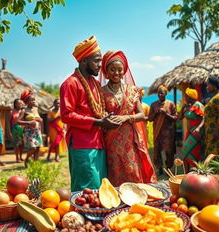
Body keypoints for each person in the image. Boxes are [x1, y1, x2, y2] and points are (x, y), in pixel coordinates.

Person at [60, 36, 120, 192]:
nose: (100, 65)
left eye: (100, 61)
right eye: (97, 61)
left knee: (101, 189)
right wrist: (99, 122)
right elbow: (66, 115)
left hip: (98, 142)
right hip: (82, 144)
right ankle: (80, 217)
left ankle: (98, 216)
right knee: (85, 190)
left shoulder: (95, 83)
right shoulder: (70, 83)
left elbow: (99, 110)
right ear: (84, 61)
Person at [100, 50, 157, 186]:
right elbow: (100, 114)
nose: (117, 73)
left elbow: (141, 115)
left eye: (120, 70)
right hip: (110, 140)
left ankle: (136, 200)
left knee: (132, 169)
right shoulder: (101, 92)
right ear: (106, 71)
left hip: (129, 139)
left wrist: (126, 118)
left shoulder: (132, 91)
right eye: (112, 69)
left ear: (124, 71)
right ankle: (118, 204)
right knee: (114, 171)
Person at [148, 85, 177, 175]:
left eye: (162, 93)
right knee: (156, 151)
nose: (160, 94)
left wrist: (166, 114)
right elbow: (150, 118)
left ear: (166, 94)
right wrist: (156, 113)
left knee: (169, 151)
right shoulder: (153, 105)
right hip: (157, 131)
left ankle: (168, 167)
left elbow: (175, 118)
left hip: (168, 132)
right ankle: (159, 168)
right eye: (159, 93)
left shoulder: (170, 104)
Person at [178, 88, 204, 172]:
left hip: (196, 132)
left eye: (186, 96)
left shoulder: (198, 105)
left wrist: (199, 128)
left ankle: (198, 171)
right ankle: (186, 173)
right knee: (185, 153)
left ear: (191, 97)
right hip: (189, 132)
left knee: (192, 152)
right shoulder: (188, 106)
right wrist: (183, 108)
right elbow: (180, 118)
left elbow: (204, 118)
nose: (185, 97)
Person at [203, 75, 219, 157]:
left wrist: (216, 131)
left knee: (214, 154)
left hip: (215, 132)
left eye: (208, 85)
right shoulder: (216, 97)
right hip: (211, 131)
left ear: (213, 85)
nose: (206, 87)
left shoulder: (218, 97)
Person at [17, 90, 43, 166]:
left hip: (37, 131)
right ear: (27, 101)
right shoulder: (24, 110)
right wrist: (29, 122)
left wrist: (40, 120)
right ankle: (27, 159)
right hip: (29, 132)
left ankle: (35, 164)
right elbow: (18, 121)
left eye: (34, 99)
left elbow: (39, 118)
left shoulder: (36, 109)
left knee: (38, 148)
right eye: (31, 100)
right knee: (33, 148)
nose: (33, 101)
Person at [8, 99, 24, 163]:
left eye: (21, 103)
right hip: (15, 129)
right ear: (15, 104)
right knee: (16, 144)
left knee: (22, 144)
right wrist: (9, 132)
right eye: (19, 103)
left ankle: (21, 156)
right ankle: (17, 158)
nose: (20, 104)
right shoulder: (11, 112)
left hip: (23, 128)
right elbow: (8, 122)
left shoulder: (23, 111)